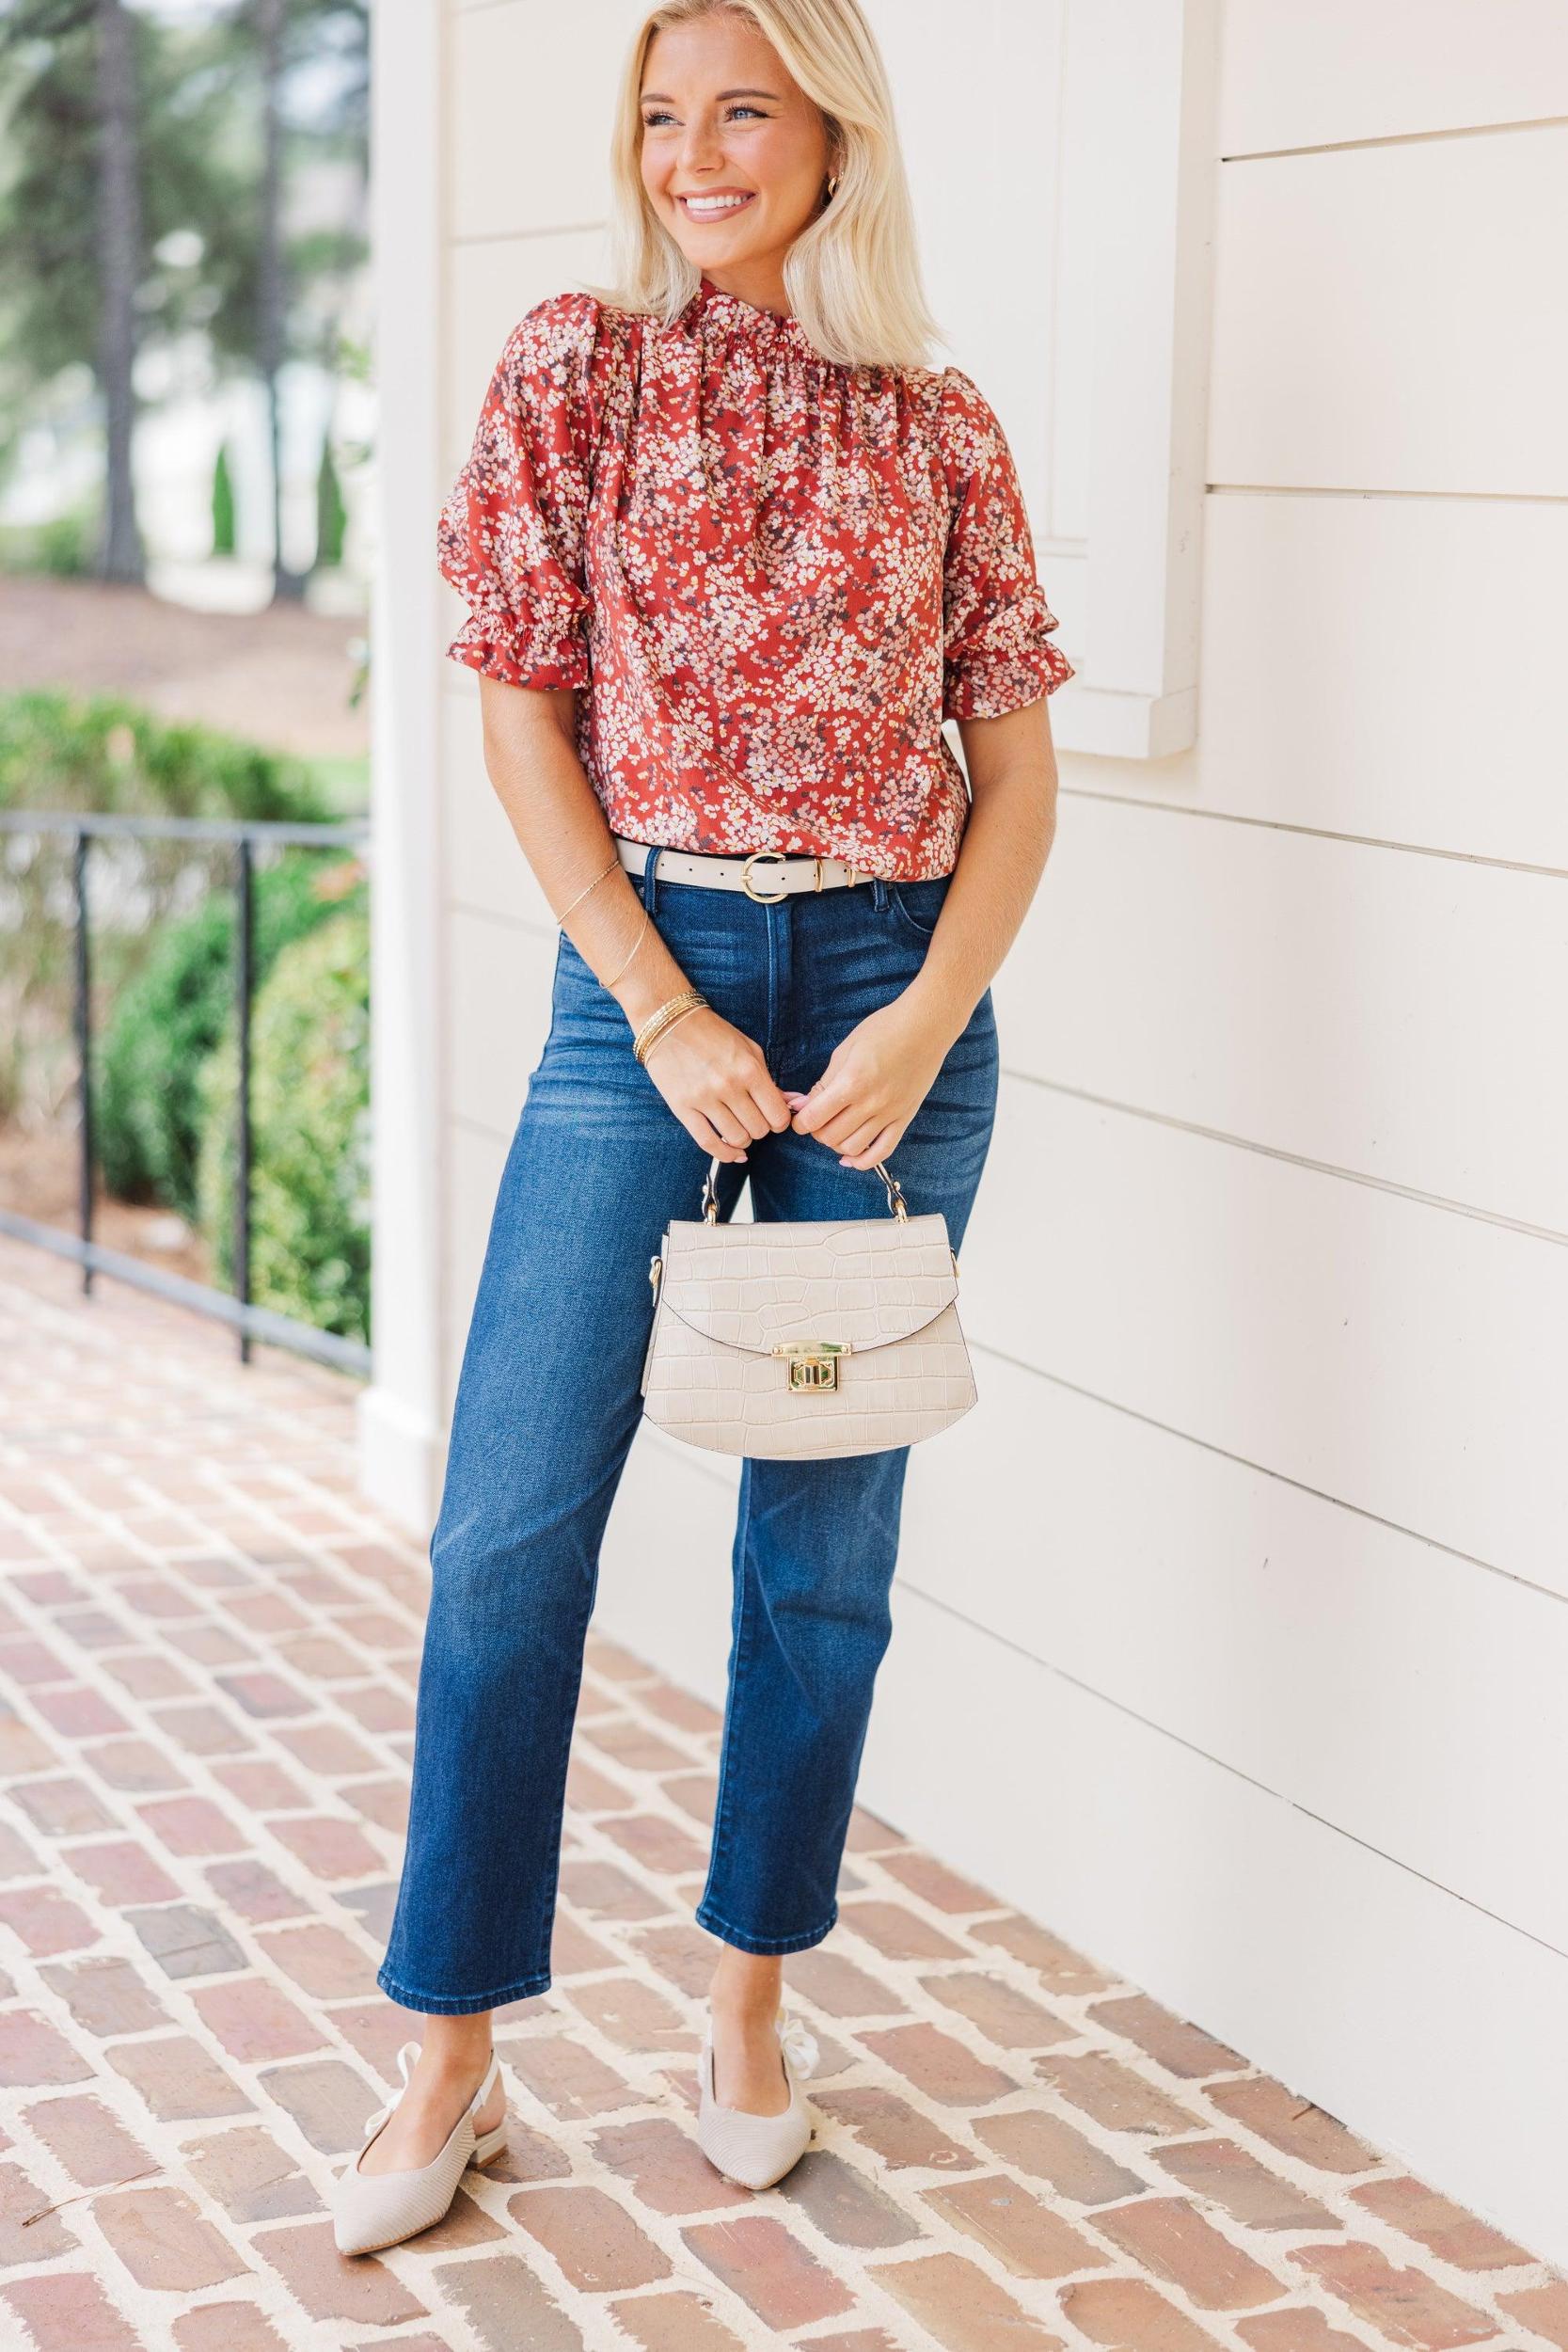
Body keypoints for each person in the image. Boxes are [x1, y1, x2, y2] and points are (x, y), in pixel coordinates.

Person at [332, 0, 1073, 2257]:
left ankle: (748, 2001)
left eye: (741, 106)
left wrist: (932, 1011)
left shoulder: (940, 418)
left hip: (886, 999)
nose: (695, 150)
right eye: (664, 114)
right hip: (631, 992)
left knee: (818, 1558)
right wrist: (655, 1008)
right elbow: (522, 717)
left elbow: (1018, 773)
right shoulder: (578, 364)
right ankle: (451, 2047)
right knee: (506, 1529)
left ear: (835, 126)